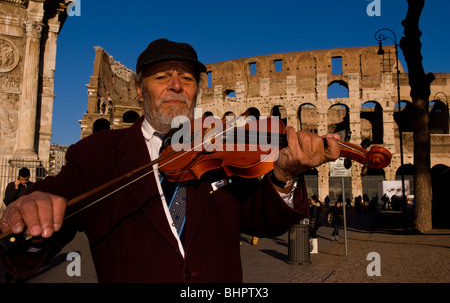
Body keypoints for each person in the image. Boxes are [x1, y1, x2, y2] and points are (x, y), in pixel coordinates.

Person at [0, 38, 340, 283]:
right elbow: (54, 202)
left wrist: (284, 175)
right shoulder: (98, 153)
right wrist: (34, 213)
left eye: (187, 79)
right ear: (138, 90)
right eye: (162, 77)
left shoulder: (222, 149)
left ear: (196, 92)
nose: (176, 85)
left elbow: (262, 221)